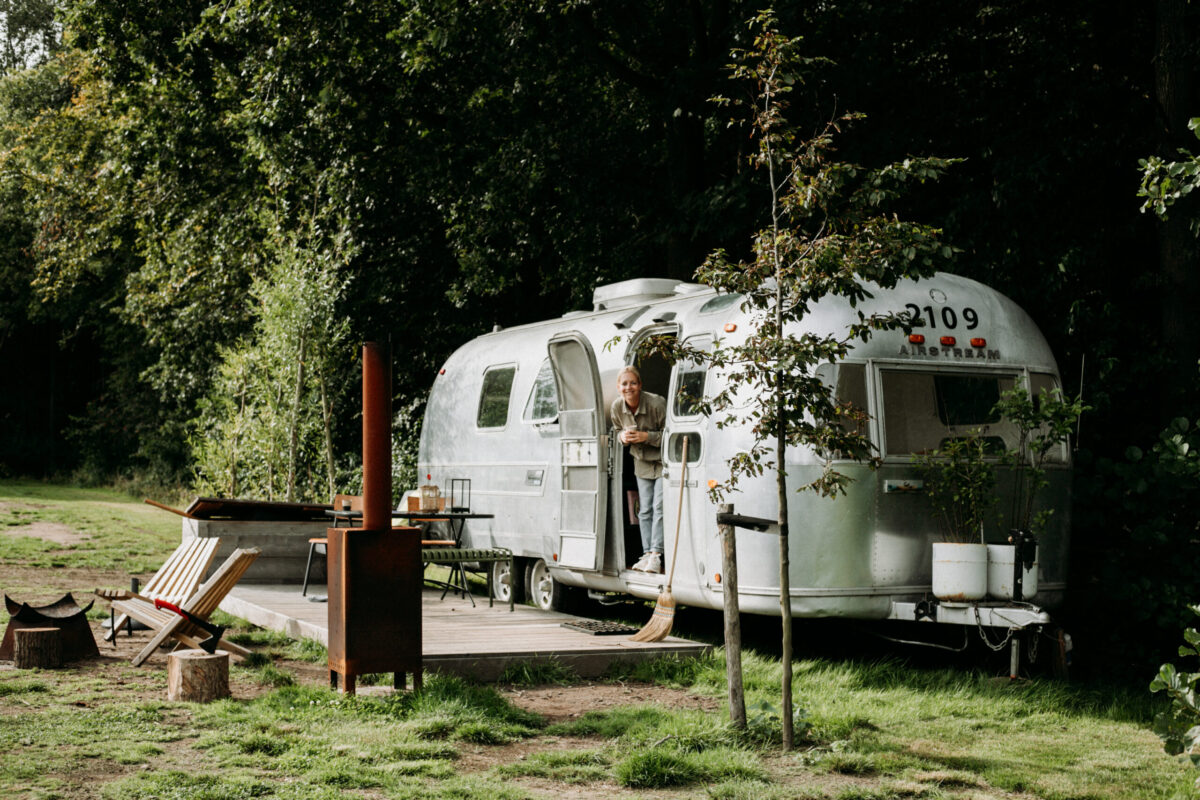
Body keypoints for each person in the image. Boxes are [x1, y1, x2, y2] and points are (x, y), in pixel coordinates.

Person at [609, 365, 666, 573]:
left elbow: (670, 435)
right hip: (641, 462)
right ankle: (647, 553)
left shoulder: (656, 403)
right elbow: (616, 430)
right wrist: (622, 438)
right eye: (624, 384)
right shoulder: (617, 407)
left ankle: (657, 554)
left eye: (633, 383)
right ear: (618, 387)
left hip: (661, 462)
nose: (628, 387)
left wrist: (646, 437)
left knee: (659, 508)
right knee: (644, 510)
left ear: (640, 385)